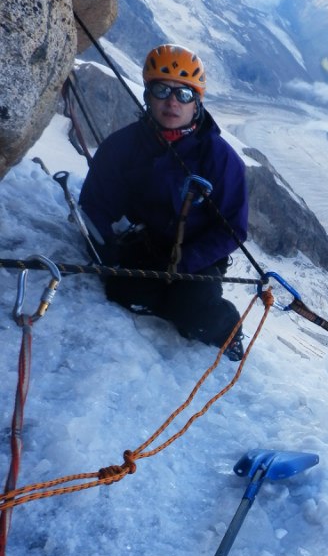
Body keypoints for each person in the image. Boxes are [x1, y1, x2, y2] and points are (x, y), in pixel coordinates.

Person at [79, 43, 249, 360]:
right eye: (162, 90)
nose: (172, 102)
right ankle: (162, 298)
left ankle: (229, 334)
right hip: (145, 243)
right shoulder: (123, 147)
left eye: (183, 94)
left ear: (197, 102)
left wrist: (183, 262)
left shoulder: (220, 160)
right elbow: (96, 205)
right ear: (147, 95)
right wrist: (107, 251)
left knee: (196, 313)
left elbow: (233, 229)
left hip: (197, 257)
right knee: (124, 292)